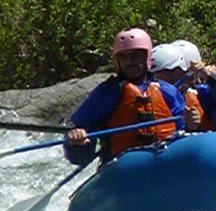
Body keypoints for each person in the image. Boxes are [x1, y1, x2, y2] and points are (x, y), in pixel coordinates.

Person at [64, 28, 187, 166]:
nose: (130, 62)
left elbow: (186, 131)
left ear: (147, 57)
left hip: (167, 163)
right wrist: (77, 141)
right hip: (123, 169)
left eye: (136, 55)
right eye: (124, 57)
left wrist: (193, 123)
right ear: (117, 61)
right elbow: (79, 155)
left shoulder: (168, 91)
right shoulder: (105, 94)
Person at [149, 43, 205, 132]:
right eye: (153, 76)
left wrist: (193, 125)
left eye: (161, 76)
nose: (157, 81)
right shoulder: (146, 93)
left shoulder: (197, 95)